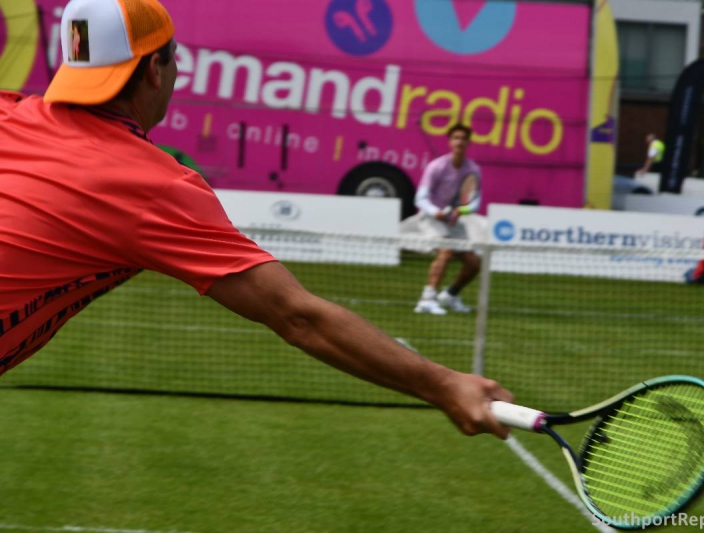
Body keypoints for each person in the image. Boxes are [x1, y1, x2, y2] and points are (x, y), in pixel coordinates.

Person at [0, 0, 512, 440]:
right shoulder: (152, 185)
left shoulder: (9, 111)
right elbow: (298, 317)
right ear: (156, 68)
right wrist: (445, 384)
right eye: (174, 61)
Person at [413, 124, 482, 315]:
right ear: (450, 141)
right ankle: (427, 299)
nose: (459, 141)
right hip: (431, 218)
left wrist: (462, 210)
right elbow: (420, 198)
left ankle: (450, 295)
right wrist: (437, 212)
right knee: (446, 251)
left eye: (463, 138)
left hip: (453, 219)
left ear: (468, 142)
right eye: (456, 138)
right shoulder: (436, 167)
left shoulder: (473, 170)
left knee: (474, 263)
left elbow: (475, 202)